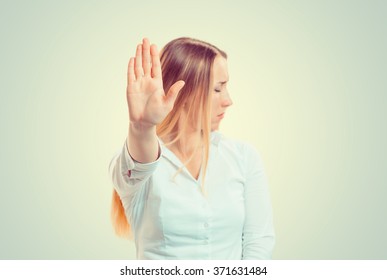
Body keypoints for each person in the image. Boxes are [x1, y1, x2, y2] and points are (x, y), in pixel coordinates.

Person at [109, 37, 275, 259]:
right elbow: (139, 164)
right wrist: (142, 126)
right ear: (183, 93)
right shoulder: (139, 160)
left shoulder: (243, 157)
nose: (228, 100)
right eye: (217, 89)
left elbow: (258, 242)